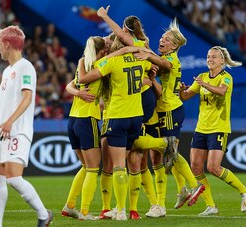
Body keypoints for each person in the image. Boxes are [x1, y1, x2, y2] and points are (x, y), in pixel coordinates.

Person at [133, 18, 205, 214]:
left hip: (171, 109)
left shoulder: (171, 59)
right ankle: (182, 189)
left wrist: (144, 52)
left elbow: (161, 62)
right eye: (162, 37)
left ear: (174, 45)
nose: (162, 40)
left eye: (166, 39)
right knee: (166, 155)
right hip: (163, 109)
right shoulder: (165, 57)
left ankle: (194, 185)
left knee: (169, 151)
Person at [0, 25, 53, 227]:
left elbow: (27, 98)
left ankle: (44, 214)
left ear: (7, 44)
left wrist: (10, 121)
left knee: (13, 179)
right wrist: (2, 124)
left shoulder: (26, 67)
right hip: (0, 131)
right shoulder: (7, 71)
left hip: (17, 130)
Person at [79, 37, 152, 221]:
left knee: (116, 166)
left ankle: (119, 211)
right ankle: (122, 209)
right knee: (128, 163)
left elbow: (85, 77)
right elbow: (151, 74)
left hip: (117, 116)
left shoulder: (111, 61)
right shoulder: (141, 60)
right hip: (137, 117)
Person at [97, 6, 158, 220]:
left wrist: (104, 17)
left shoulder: (133, 47)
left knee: (120, 160)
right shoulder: (143, 47)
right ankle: (136, 207)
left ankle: (120, 208)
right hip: (141, 99)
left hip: (130, 104)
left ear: (125, 30)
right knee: (135, 158)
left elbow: (121, 38)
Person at [179, 46, 246, 216]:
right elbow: (185, 97)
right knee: (196, 167)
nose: (210, 59)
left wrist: (204, 84)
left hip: (218, 127)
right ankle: (211, 205)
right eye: (208, 56)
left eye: (214, 57)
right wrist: (182, 90)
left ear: (222, 61)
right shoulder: (202, 77)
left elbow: (221, 91)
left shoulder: (226, 78)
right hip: (201, 128)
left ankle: (244, 191)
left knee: (213, 167)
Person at [61, 36, 106, 220]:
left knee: (86, 166)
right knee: (94, 168)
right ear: (102, 51)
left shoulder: (82, 63)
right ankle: (85, 212)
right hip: (87, 119)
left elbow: (69, 85)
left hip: (73, 120)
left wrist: (78, 92)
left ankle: (70, 205)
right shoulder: (101, 65)